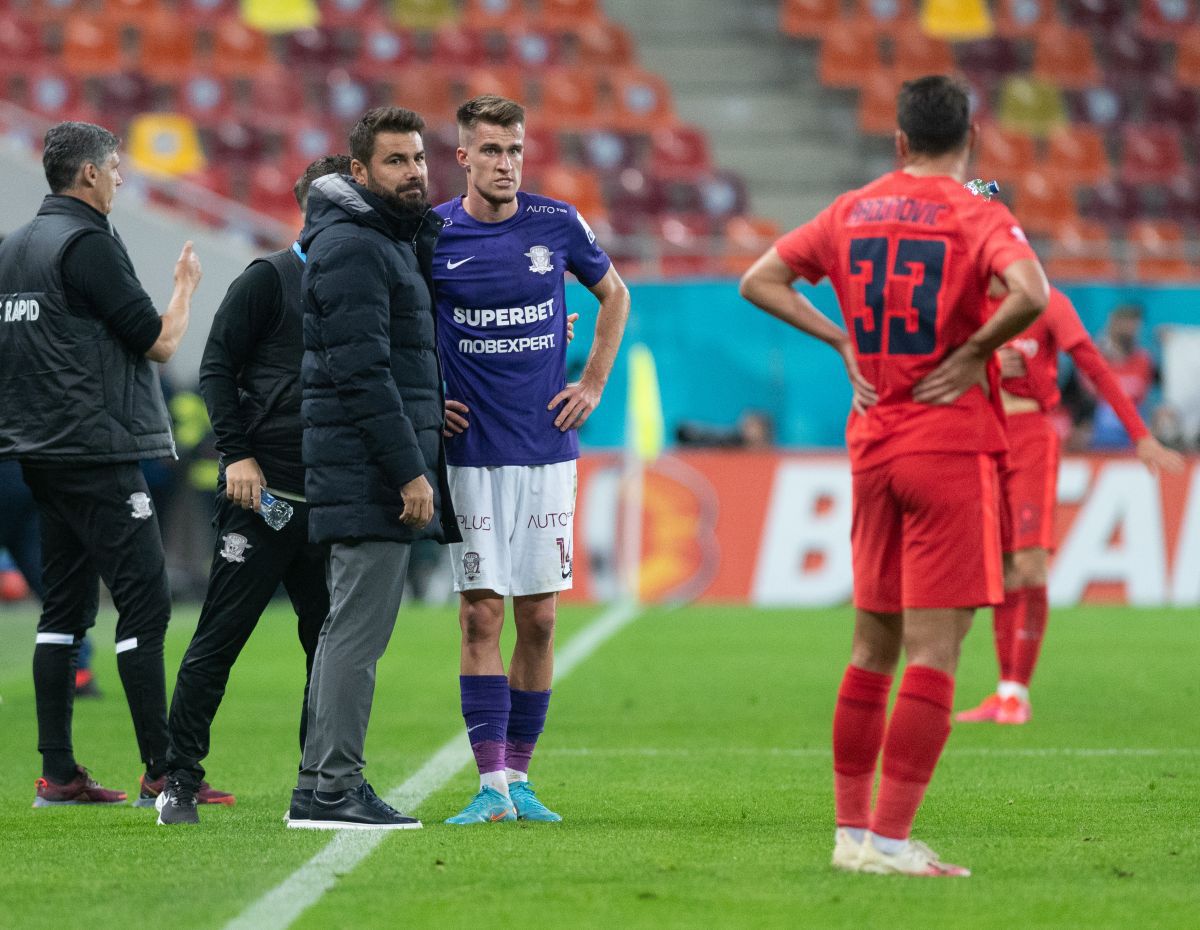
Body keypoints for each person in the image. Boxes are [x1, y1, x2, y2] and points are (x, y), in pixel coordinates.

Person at [739, 75, 1050, 877]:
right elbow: (1032, 292)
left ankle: (851, 834)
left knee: (872, 643)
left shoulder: (851, 209)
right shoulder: (978, 212)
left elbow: (758, 279)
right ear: (970, 139)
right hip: (948, 446)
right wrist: (976, 353)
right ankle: (888, 839)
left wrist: (840, 341)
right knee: (935, 653)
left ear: (900, 141)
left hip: (872, 443)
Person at [434, 95, 630, 825]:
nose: (506, 163)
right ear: (463, 158)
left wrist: (593, 382)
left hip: (547, 448)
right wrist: (427, 401)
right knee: (481, 616)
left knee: (541, 618)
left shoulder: (555, 223)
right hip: (471, 454)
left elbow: (614, 295)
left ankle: (520, 778)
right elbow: (398, 324)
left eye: (514, 149)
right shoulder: (434, 235)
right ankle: (488, 786)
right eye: (490, 150)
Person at [0, 120, 202, 806]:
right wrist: (184, 287)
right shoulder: (86, 242)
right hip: (99, 450)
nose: (120, 178)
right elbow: (159, 342)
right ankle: (163, 771)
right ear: (87, 174)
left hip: (37, 453)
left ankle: (58, 774)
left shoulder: (13, 246)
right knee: (145, 605)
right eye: (114, 167)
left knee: (62, 611)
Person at [154, 155, 352, 826]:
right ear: (314, 208)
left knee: (328, 648)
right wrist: (236, 453)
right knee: (221, 636)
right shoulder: (269, 279)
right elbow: (214, 367)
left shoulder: (358, 285)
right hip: (261, 499)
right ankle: (178, 779)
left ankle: (320, 781)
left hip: (329, 502)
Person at [286, 107, 460, 831]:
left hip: (365, 464)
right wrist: (409, 469)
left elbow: (393, 363)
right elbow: (362, 374)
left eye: (419, 158)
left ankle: (318, 783)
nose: (414, 172)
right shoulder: (355, 247)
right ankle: (332, 789)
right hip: (367, 472)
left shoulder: (378, 241)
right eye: (395, 161)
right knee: (356, 636)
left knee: (343, 632)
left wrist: (429, 416)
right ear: (358, 173)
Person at [956, 285, 1184, 727]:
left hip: (1029, 436)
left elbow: (1094, 366)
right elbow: (933, 368)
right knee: (1002, 570)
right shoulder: (964, 299)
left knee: (1030, 565)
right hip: (981, 437)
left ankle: (1018, 693)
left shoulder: (1044, 300)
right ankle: (1006, 691)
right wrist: (984, 365)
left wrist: (1139, 435)